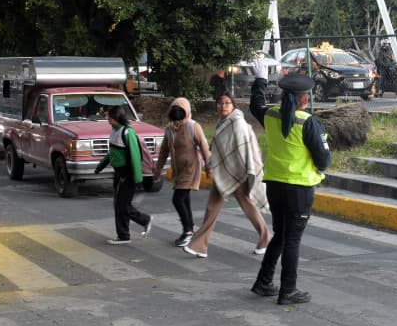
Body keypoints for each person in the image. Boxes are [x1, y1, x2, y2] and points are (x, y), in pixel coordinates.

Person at [246, 58, 330, 304]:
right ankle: (288, 290)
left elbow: (255, 105)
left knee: (281, 235)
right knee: (292, 239)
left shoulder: (271, 115)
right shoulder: (309, 123)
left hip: (275, 185)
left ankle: (263, 283)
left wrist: (260, 80)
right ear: (304, 98)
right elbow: (323, 159)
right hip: (299, 188)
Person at [182, 92, 271, 259]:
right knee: (214, 207)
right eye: (220, 103)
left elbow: (243, 148)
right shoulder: (222, 122)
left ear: (233, 105)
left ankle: (266, 237)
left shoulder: (237, 123)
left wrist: (243, 169)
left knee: (244, 205)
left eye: (227, 103)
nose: (223, 106)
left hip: (237, 171)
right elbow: (220, 148)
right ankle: (200, 245)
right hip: (225, 171)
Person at [152, 97, 210, 248]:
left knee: (177, 199)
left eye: (180, 114)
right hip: (178, 169)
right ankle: (189, 228)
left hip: (191, 168)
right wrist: (158, 170)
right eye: (174, 114)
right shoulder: (169, 129)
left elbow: (204, 147)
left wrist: (209, 168)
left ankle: (188, 231)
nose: (177, 119)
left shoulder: (193, 127)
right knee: (184, 199)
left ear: (187, 112)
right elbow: (164, 151)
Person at [95, 105, 152, 244]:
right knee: (119, 204)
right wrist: (101, 165)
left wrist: (138, 179)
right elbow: (113, 153)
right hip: (118, 173)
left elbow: (135, 156)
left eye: (109, 117)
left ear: (115, 118)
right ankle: (123, 236)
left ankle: (144, 220)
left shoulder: (127, 132)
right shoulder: (114, 131)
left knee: (123, 205)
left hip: (128, 174)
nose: (107, 119)